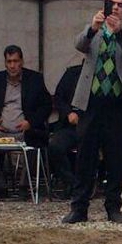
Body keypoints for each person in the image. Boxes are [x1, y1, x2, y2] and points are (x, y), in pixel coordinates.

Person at [62, 0, 122, 225]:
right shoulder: (93, 30)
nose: (116, 8)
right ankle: (79, 207)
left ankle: (113, 207)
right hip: (91, 102)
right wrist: (93, 29)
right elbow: (79, 44)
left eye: (120, 5)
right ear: (104, 7)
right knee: (85, 156)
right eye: (112, 4)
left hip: (117, 104)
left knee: (116, 157)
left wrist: (117, 34)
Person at [0, 45, 52, 199]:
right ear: (5, 63)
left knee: (34, 140)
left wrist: (30, 122)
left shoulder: (35, 79)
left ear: (22, 62)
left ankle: (25, 185)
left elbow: (46, 106)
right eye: (9, 61)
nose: (12, 65)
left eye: (16, 61)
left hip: (25, 130)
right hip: (1, 130)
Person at [48, 61, 84, 195]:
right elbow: (58, 98)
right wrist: (68, 113)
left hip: (93, 126)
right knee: (55, 146)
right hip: (70, 126)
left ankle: (87, 183)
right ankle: (72, 183)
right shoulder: (71, 73)